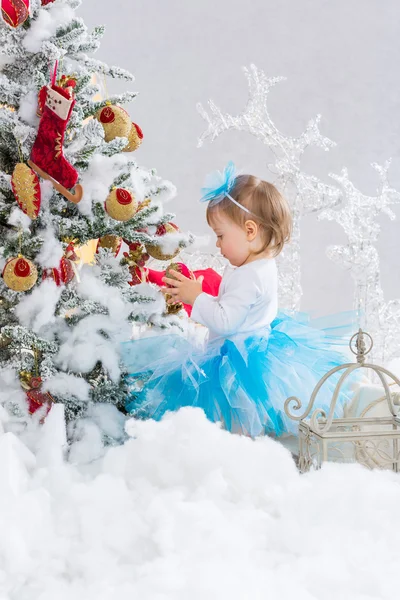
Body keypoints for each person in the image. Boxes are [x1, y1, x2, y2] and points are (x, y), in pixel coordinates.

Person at [121, 162, 357, 438]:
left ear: (249, 231)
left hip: (237, 360)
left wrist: (196, 298)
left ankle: (237, 454)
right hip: (251, 349)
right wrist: (205, 293)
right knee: (239, 414)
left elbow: (227, 320)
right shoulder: (257, 265)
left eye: (221, 236)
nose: (218, 244)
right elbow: (232, 302)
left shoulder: (249, 276)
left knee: (236, 414)